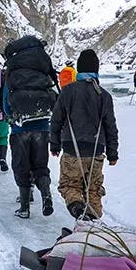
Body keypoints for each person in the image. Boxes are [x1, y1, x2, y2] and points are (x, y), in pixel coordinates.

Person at [50, 49, 119, 220]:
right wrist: (113, 153)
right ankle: (92, 226)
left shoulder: (67, 91)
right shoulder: (104, 96)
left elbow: (56, 120)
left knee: (69, 186)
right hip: (96, 151)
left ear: (79, 69)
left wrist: (55, 144)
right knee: (93, 190)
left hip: (72, 149)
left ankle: (79, 212)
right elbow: (110, 127)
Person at [4, 80, 54, 219]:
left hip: (20, 129)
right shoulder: (41, 77)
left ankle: (24, 208)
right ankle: (46, 195)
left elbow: (6, 106)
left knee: (22, 168)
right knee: (40, 167)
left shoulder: (13, 77)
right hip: (43, 128)